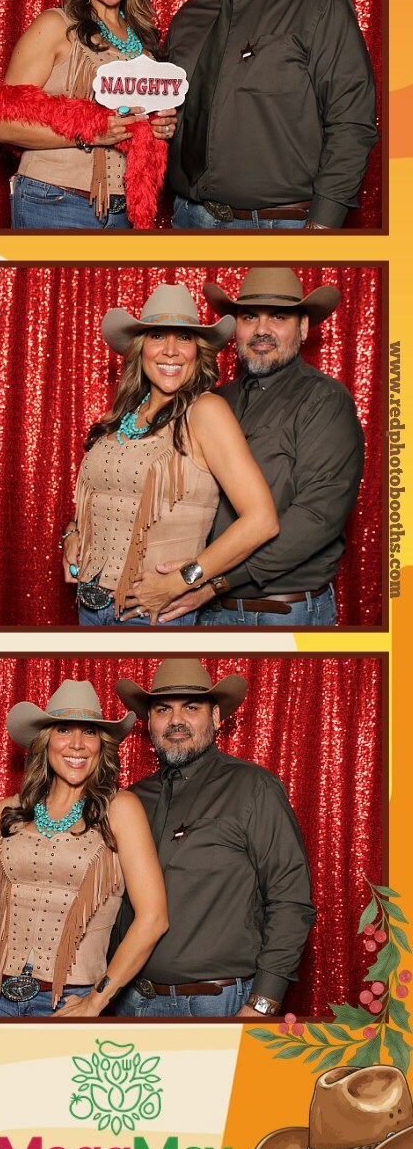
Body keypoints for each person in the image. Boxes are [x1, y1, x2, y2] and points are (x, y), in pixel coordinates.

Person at [0, 680, 168, 1020]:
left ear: (101, 745)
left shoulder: (121, 810)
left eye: (89, 732)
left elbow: (153, 919)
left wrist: (96, 1001)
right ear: (45, 742)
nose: (76, 744)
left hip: (70, 1000)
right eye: (63, 730)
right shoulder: (10, 811)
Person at [163, 0, 378, 231]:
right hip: (188, 217)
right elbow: (170, 112)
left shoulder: (318, 2)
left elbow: (351, 119)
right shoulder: (188, 16)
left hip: (280, 225)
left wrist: (324, 222)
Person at [108, 659, 316, 1020]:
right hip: (129, 1002)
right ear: (149, 721)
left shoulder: (253, 788)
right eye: (163, 709)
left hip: (215, 1004)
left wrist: (263, 1002)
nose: (176, 721)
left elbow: (290, 898)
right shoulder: (132, 799)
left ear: (216, 717)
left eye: (191, 708)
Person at [62, 283, 279, 627]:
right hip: (89, 605)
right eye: (157, 336)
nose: (171, 351)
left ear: (198, 352)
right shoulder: (118, 416)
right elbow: (101, 497)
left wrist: (182, 580)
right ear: (139, 348)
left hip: (150, 614)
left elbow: (262, 521)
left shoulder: (206, 411)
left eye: (185, 338)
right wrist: (72, 532)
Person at [158, 269, 364, 629]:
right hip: (202, 610)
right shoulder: (213, 401)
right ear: (235, 328)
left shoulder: (325, 399)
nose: (261, 330)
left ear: (303, 328)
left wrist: (214, 580)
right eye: (249, 317)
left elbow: (317, 517)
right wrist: (76, 532)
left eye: (278, 317)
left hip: (283, 613)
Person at [0, 0, 175, 230]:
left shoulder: (143, 41)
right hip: (56, 201)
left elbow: (138, 120)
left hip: (125, 211)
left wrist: (161, 127)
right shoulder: (55, 25)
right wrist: (92, 131)